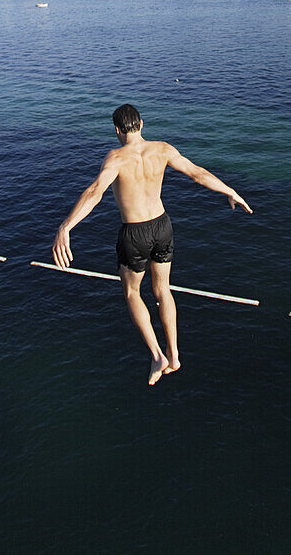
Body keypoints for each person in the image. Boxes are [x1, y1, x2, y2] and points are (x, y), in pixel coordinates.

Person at [52, 103, 253, 385]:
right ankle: (175, 353)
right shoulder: (163, 149)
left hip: (135, 233)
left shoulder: (116, 158)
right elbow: (197, 173)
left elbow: (95, 192)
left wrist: (65, 227)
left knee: (133, 293)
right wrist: (231, 191)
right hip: (162, 226)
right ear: (142, 124)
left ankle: (157, 354)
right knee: (162, 291)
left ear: (118, 130)